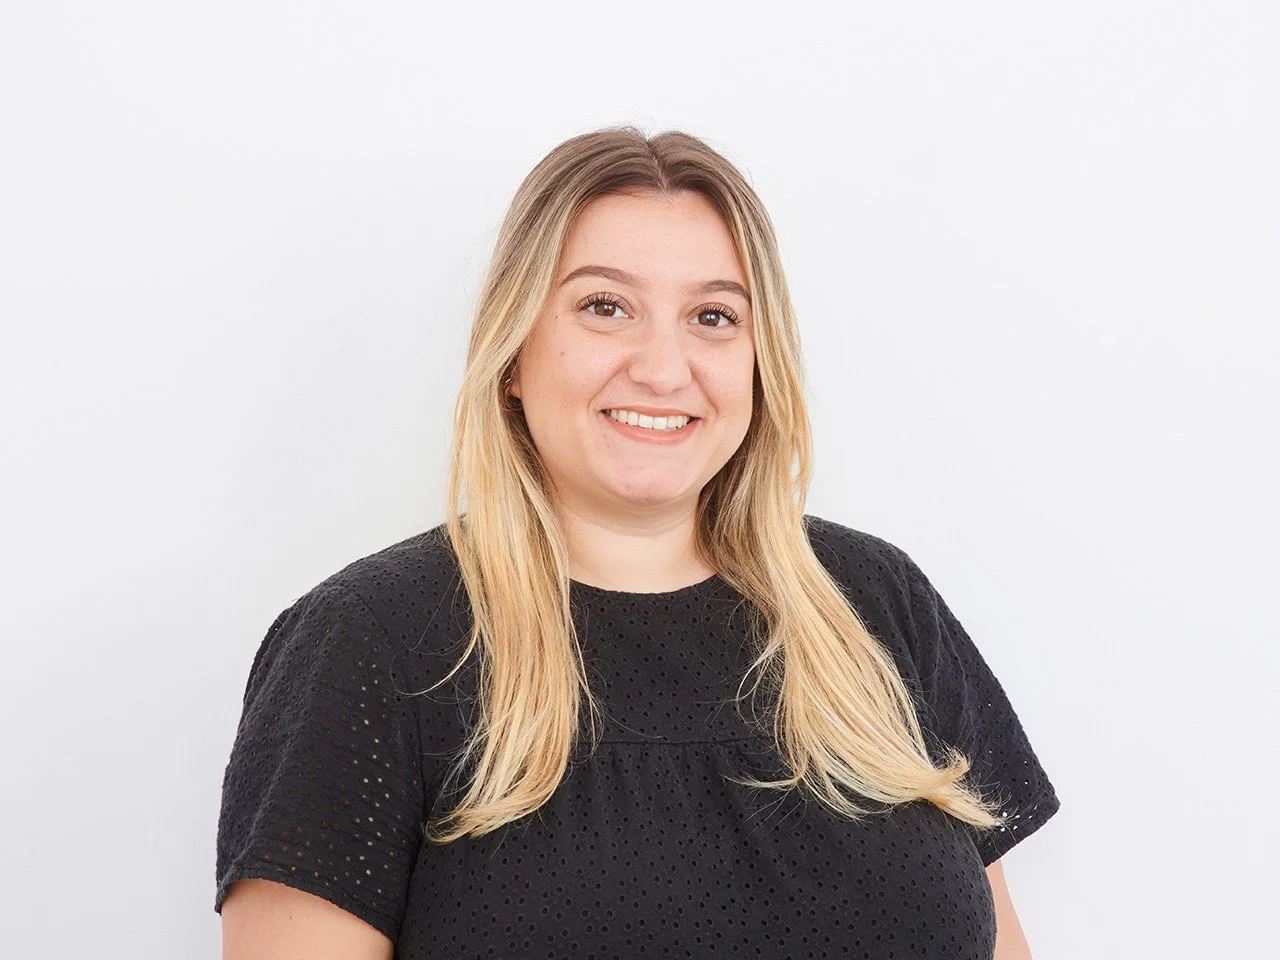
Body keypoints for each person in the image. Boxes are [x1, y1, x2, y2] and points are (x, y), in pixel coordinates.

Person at [215, 126, 1061, 960]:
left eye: (714, 316)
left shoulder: (877, 602)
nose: (664, 368)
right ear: (513, 352)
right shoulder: (365, 645)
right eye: (604, 306)